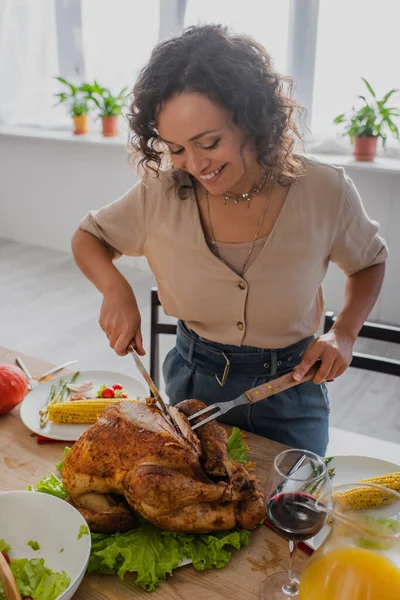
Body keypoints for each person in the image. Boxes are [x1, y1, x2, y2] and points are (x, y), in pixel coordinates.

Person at [72, 24, 387, 456]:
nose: (195, 164)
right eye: (176, 148)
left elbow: (369, 261)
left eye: (209, 142)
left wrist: (345, 334)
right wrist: (115, 289)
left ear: (251, 119)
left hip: (292, 389)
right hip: (192, 380)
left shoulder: (324, 189)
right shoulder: (159, 191)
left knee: (292, 512)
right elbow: (89, 236)